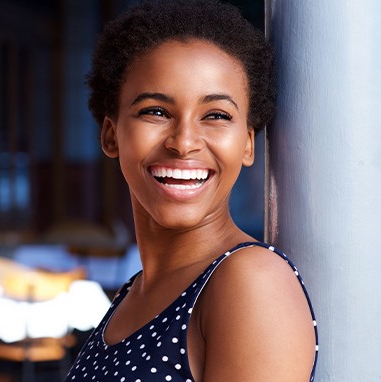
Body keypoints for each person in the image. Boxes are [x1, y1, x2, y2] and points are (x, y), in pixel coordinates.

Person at [64, 0, 318, 381]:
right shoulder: (130, 295)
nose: (183, 143)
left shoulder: (250, 282)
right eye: (156, 111)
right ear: (111, 134)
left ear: (248, 144)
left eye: (216, 116)